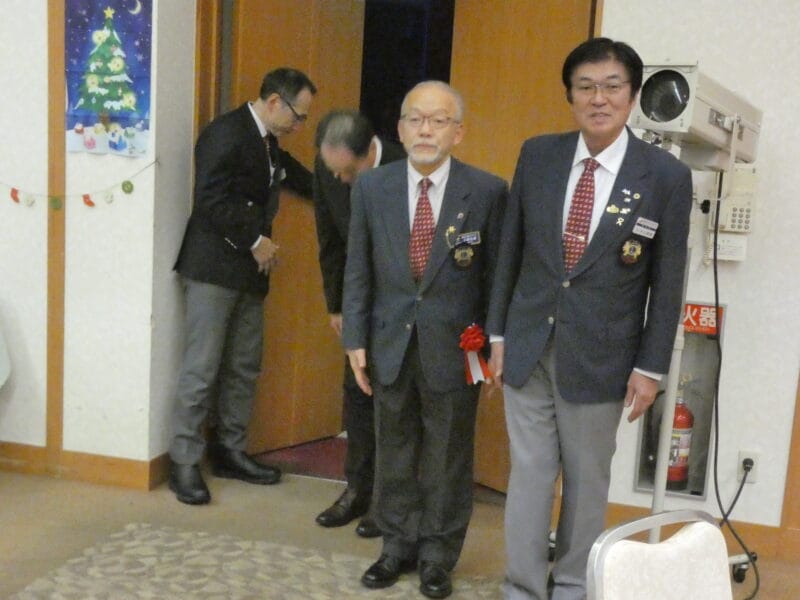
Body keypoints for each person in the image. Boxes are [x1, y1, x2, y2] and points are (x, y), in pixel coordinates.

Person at [485, 38, 692, 599]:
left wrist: (650, 367)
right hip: (528, 344)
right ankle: (523, 587)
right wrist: (497, 332)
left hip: (604, 355)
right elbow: (510, 251)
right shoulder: (538, 155)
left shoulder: (665, 176)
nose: (599, 98)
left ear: (632, 96)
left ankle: (574, 585)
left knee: (586, 480)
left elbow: (667, 282)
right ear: (570, 95)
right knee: (529, 474)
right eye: (586, 87)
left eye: (612, 86)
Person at [342, 81, 507, 599]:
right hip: (388, 342)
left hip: (458, 347)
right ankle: (396, 546)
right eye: (415, 119)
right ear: (400, 128)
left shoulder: (487, 192)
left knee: (448, 456)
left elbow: (496, 276)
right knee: (393, 449)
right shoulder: (372, 188)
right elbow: (357, 268)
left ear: (459, 131)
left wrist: (494, 343)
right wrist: (354, 337)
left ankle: (438, 555)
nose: (426, 130)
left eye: (438, 120)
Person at [168, 67, 316, 506]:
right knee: (201, 369)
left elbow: (288, 174)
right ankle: (183, 462)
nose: (299, 125)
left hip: (250, 272)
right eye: (298, 116)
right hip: (213, 268)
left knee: (244, 365)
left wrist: (340, 187)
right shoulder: (225, 134)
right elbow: (209, 200)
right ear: (274, 102)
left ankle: (230, 451)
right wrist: (254, 240)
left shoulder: (268, 142)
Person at [311, 110, 406, 538]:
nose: (341, 179)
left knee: (396, 402)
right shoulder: (328, 166)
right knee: (357, 393)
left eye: (348, 172)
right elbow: (329, 238)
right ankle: (357, 489)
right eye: (335, 171)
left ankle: (390, 500)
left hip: (401, 303)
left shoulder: (406, 167)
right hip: (356, 298)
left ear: (369, 152)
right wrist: (336, 305)